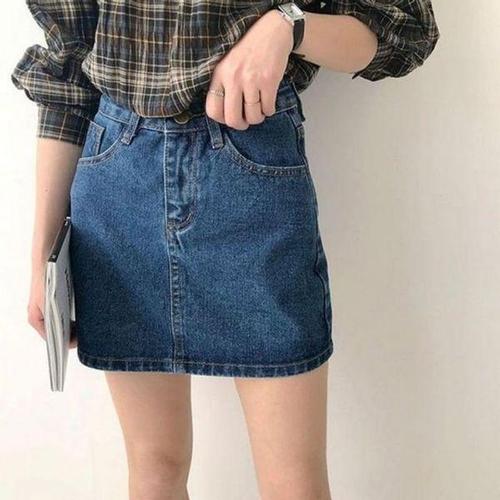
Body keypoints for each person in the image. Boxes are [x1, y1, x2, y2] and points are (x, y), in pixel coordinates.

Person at [12, 1, 440, 498]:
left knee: (293, 483)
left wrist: (289, 26)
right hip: (118, 181)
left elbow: (404, 31)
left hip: (251, 172)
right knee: (155, 468)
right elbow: (67, 74)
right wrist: (43, 258)